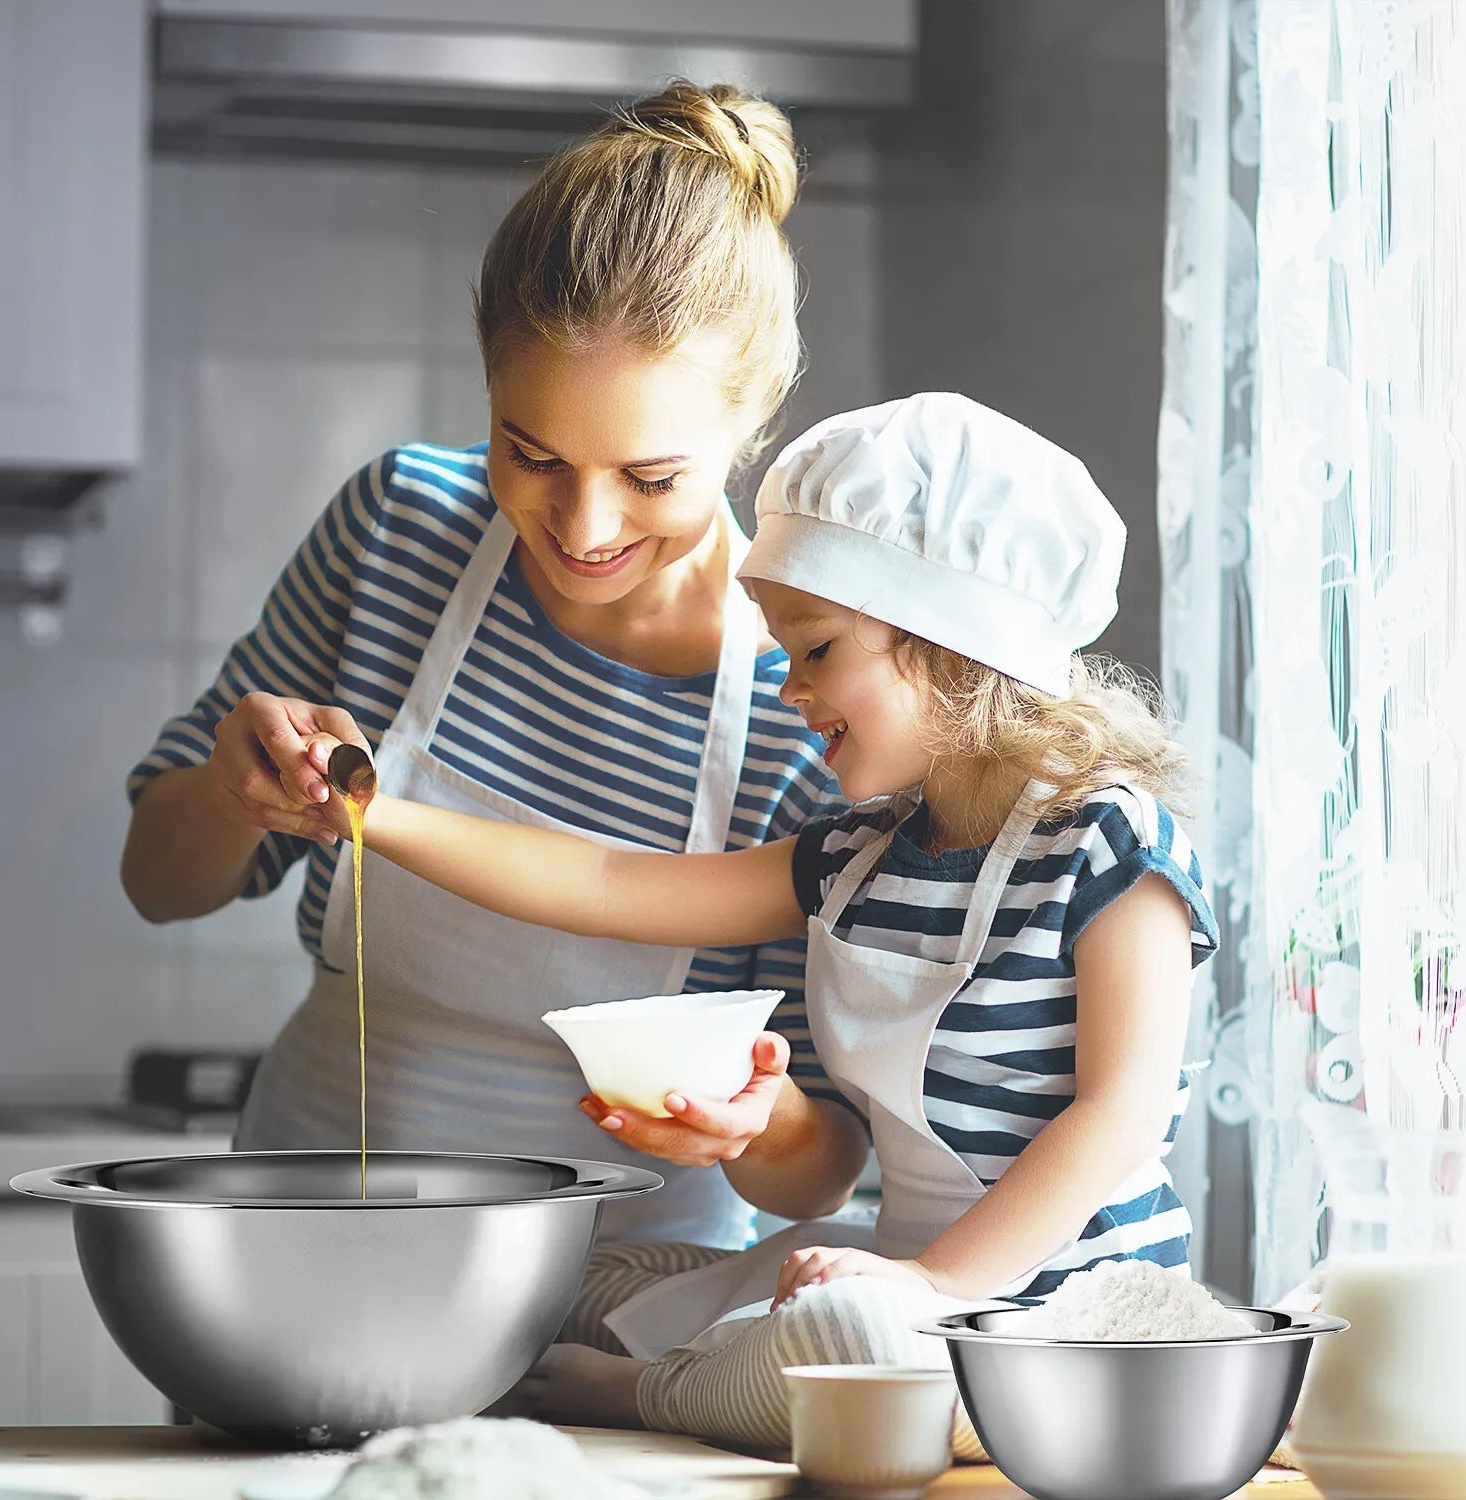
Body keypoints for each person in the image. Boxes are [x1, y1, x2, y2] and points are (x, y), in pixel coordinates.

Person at [306, 392, 1221, 1456]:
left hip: (1074, 1326)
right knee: (573, 1280)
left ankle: (648, 1393)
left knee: (853, 1342)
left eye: (816, 650)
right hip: (897, 1277)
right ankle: (714, 1365)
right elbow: (609, 882)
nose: (790, 689)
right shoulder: (859, 854)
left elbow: (1119, 1116)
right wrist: (371, 813)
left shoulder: (1111, 843)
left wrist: (930, 1284)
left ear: (948, 640)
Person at [119, 83, 861, 1284]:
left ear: (755, 419)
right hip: (304, 1250)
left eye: (651, 478)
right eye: (533, 453)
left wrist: (752, 1124)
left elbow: (820, 1165)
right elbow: (158, 884)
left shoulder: (807, 691)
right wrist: (226, 789)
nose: (583, 526)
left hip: (615, 1307)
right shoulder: (399, 531)